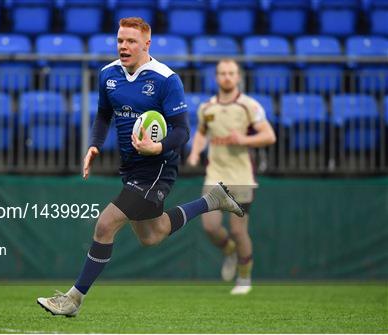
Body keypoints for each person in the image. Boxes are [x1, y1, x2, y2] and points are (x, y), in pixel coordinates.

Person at [37, 18, 244, 317]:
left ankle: (73, 299)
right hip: (131, 168)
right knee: (153, 235)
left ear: (147, 44)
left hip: (158, 167)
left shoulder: (165, 79)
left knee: (105, 224)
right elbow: (103, 114)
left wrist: (157, 147)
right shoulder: (108, 74)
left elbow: (181, 131)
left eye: (131, 41)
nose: (124, 46)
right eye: (120, 40)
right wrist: (94, 144)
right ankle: (213, 200)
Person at [187, 59, 276, 295]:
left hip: (241, 176)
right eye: (222, 73)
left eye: (231, 73)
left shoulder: (249, 106)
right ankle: (229, 251)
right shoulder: (206, 108)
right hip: (215, 175)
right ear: (216, 77)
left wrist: (244, 140)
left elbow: (269, 136)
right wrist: (195, 152)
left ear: (238, 77)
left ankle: (244, 278)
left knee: (238, 230)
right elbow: (201, 134)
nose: (227, 77)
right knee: (210, 226)